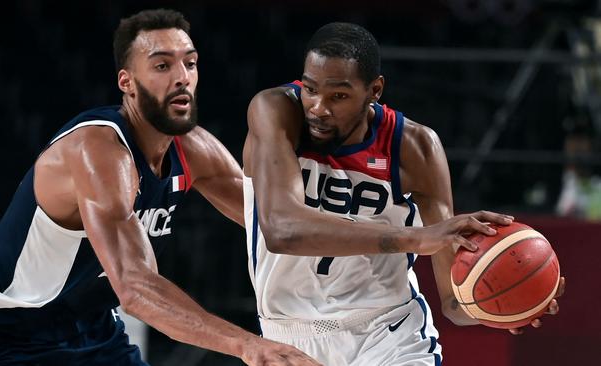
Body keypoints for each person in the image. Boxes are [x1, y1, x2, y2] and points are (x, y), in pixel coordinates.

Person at [0, 9, 321, 366]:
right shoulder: (98, 152)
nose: (182, 77)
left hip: (92, 328)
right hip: (4, 330)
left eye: (189, 63)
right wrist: (248, 345)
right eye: (162, 65)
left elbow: (274, 223)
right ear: (127, 82)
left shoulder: (192, 148)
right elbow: (135, 288)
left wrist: (369, 250)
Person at [242, 22, 566, 365]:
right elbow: (283, 231)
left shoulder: (415, 147)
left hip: (388, 334)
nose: (319, 107)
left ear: (374, 90)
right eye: (310, 89)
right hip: (286, 336)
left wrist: (505, 303)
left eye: (338, 95)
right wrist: (414, 238)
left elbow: (454, 305)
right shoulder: (275, 110)